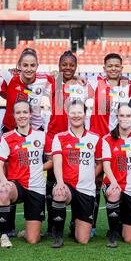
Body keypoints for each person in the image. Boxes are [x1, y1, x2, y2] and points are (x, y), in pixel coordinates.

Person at [87, 53, 131, 236]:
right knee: (96, 181)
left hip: (120, 141)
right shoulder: (95, 84)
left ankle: (120, 223)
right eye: (110, 66)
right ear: (104, 68)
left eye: (117, 65)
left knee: (120, 179)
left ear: (122, 68)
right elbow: (73, 89)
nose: (113, 68)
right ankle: (90, 224)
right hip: (99, 141)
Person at [0, 100, 52, 248]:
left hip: (36, 188)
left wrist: (39, 168)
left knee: (33, 239)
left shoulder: (42, 135)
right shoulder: (7, 137)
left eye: (25, 112)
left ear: (30, 114)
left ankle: (27, 231)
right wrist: (2, 181)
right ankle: (4, 235)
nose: (22, 116)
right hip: (17, 185)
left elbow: (52, 161)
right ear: (13, 115)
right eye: (18, 112)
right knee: (3, 191)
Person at [45, 51, 88, 236]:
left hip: (74, 138)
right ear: (59, 65)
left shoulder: (83, 86)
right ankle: (52, 225)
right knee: (52, 180)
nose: (68, 67)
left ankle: (74, 222)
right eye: (64, 64)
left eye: (72, 64)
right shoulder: (51, 83)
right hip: (54, 137)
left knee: (74, 177)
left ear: (76, 67)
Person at [51, 100, 102, 248]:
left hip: (86, 188)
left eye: (79, 112)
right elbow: (57, 162)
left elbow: (99, 163)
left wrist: (91, 176)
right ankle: (58, 236)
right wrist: (60, 182)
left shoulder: (95, 138)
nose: (76, 115)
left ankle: (75, 225)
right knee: (59, 193)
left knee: (83, 240)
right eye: (73, 112)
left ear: (85, 115)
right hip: (67, 186)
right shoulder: (59, 137)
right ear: (68, 114)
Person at [102, 104, 131, 248]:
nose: (125, 119)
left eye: (128, 115)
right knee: (114, 193)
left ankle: (121, 222)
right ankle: (113, 233)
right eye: (121, 115)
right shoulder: (107, 139)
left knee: (129, 239)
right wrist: (115, 183)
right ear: (117, 117)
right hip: (113, 184)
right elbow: (106, 165)